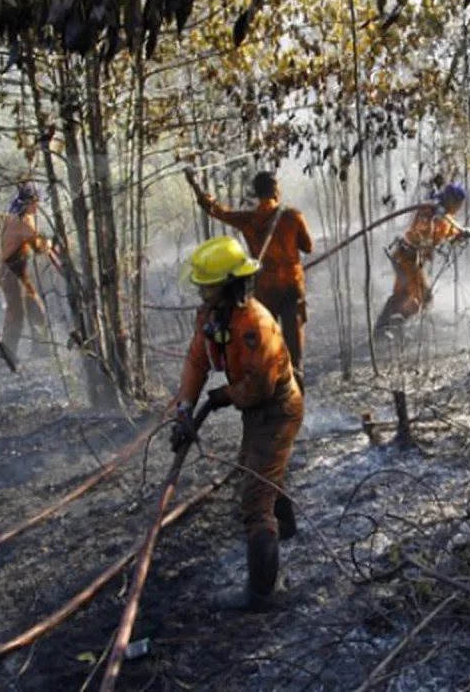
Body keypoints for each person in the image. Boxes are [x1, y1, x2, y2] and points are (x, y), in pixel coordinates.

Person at [170, 235, 303, 612]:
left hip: (276, 408)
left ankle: (263, 595)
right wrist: (185, 408)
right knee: (259, 469)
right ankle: (288, 531)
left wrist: (224, 396)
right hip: (254, 408)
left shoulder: (254, 325)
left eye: (207, 285)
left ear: (230, 284)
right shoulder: (214, 315)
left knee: (254, 498)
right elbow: (197, 359)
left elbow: (259, 388)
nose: (201, 292)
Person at [185, 169, 313, 387]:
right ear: (277, 191)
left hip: (265, 293)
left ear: (256, 193)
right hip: (292, 291)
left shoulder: (249, 220)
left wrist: (195, 184)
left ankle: (272, 395)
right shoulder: (292, 216)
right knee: (295, 355)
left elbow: (215, 210)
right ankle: (296, 399)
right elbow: (308, 247)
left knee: (267, 350)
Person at [374, 182, 470, 334]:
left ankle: (383, 327)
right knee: (424, 296)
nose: (459, 207)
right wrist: (434, 219)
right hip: (407, 257)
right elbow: (421, 233)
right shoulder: (429, 210)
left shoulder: (446, 217)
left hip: (411, 260)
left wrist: (461, 235)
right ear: (451, 200)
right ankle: (394, 324)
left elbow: (451, 236)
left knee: (403, 294)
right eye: (458, 203)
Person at [0, 182, 52, 361]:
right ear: (30, 202)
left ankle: (40, 348)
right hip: (11, 272)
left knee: (35, 308)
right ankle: (8, 353)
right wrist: (50, 243)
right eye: (36, 202)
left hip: (15, 271)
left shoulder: (12, 216)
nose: (38, 206)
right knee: (17, 313)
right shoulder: (22, 221)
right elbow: (38, 247)